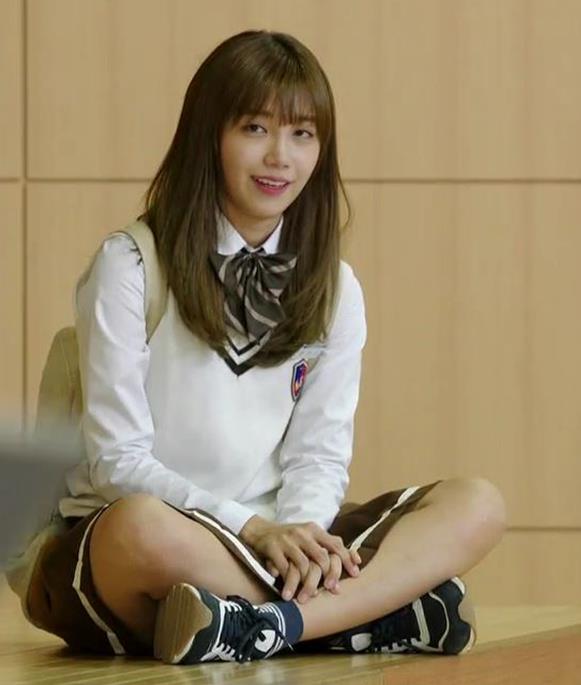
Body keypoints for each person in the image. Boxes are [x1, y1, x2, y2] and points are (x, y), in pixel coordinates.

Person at [19, 30, 506, 665]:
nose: (280, 157)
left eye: (302, 134)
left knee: (477, 504)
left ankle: (259, 624)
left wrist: (300, 537)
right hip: (159, 538)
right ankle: (358, 619)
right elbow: (117, 462)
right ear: (209, 137)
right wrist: (251, 529)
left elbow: (318, 456)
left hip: (275, 539)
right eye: (255, 128)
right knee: (138, 526)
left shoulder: (334, 287)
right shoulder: (130, 265)